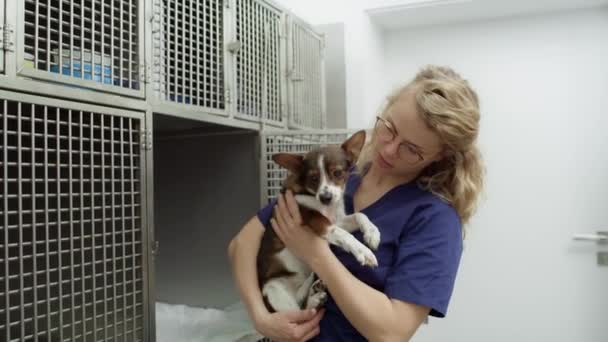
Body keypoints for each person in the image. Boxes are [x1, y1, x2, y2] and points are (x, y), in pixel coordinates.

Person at [228, 65, 484, 341]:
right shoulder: (337, 180)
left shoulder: (434, 219)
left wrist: (316, 252)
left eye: (412, 149)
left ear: (441, 155)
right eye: (389, 128)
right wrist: (261, 317)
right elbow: (242, 244)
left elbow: (393, 332)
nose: (388, 148)